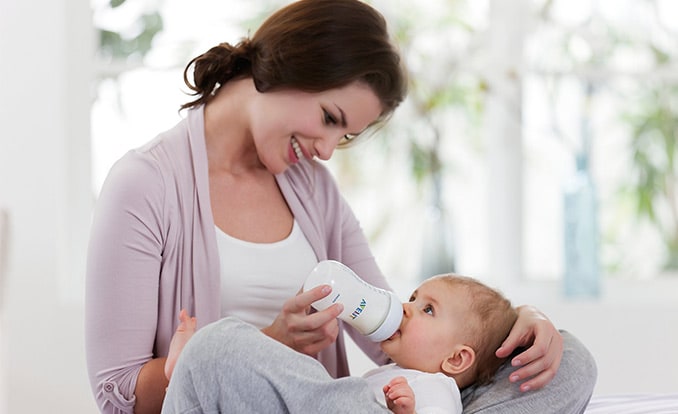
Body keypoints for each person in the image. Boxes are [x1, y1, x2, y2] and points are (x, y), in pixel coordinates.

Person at [84, 0, 596, 413]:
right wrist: (270, 342)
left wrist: (519, 321)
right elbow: (117, 393)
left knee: (567, 357)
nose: (327, 150)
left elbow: (397, 331)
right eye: (329, 117)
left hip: (337, 405)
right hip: (226, 396)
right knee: (220, 346)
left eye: (344, 134)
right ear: (288, 65)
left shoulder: (314, 190)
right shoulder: (144, 185)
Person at [162, 273, 520, 414]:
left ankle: (200, 368)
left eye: (427, 309)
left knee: (310, 377)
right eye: (411, 298)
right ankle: (195, 376)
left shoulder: (437, 388)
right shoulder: (387, 374)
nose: (405, 309)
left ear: (456, 360)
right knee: (229, 346)